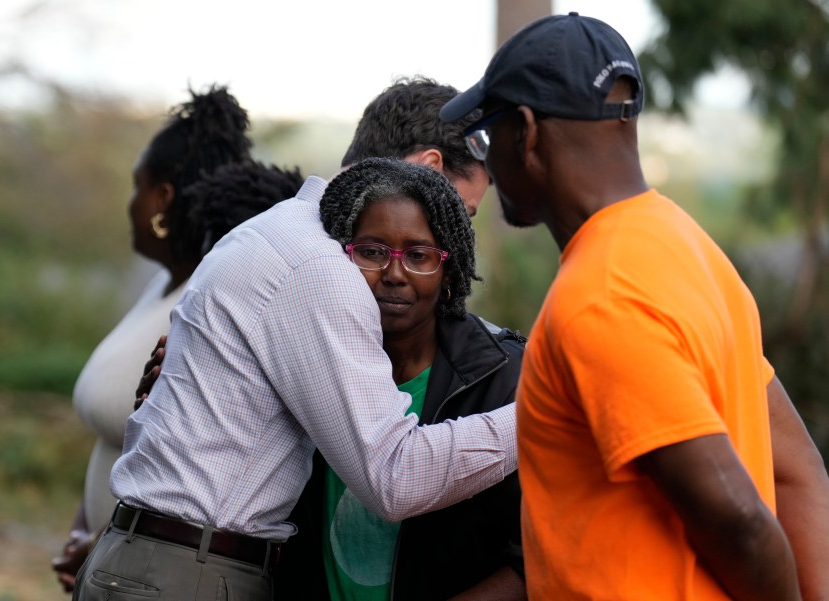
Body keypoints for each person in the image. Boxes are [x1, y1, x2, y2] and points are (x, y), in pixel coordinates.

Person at [71, 78, 516, 601]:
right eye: (457, 217)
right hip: (190, 572)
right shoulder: (320, 271)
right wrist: (544, 409)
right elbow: (393, 478)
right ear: (426, 173)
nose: (451, 246)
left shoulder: (277, 232)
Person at [440, 12, 829, 601]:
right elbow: (797, 472)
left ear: (528, 132)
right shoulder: (689, 247)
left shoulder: (600, 297)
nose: (488, 163)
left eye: (487, 136)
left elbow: (741, 521)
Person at [51, 85, 303, 592]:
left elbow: (192, 454)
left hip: (155, 569)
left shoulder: (206, 310)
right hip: (119, 562)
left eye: (136, 185)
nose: (131, 202)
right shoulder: (157, 288)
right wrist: (90, 532)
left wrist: (103, 537)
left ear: (162, 199)